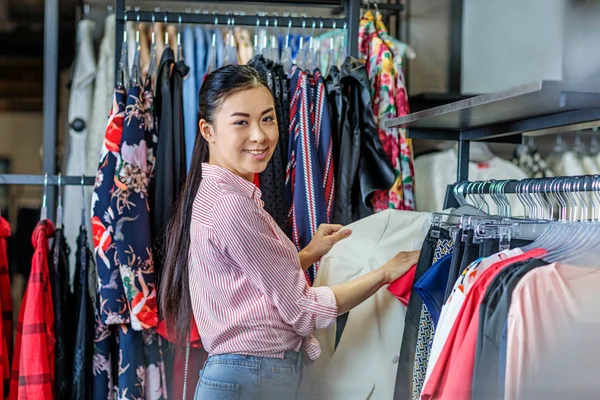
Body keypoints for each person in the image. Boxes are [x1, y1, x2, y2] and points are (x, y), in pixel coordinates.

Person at [160, 64, 420, 400]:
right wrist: (385, 272)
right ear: (207, 130)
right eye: (241, 122)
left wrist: (310, 253)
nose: (260, 135)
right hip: (253, 377)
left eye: (267, 119)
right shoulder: (231, 204)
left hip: (246, 375)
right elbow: (303, 311)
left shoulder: (218, 193)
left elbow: (249, 279)